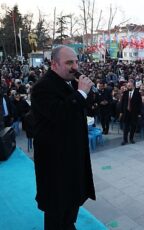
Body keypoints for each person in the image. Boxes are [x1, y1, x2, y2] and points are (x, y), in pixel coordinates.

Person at [31, 45, 96, 229]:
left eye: (76, 61)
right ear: (54, 64)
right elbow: (59, 114)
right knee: (56, 212)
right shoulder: (42, 88)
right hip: (55, 165)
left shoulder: (69, 82)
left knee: (71, 206)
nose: (75, 66)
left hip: (72, 159)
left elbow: (83, 107)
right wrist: (81, 93)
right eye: (69, 62)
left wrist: (86, 92)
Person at [120, 79, 142, 145]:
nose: (128, 87)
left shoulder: (137, 93)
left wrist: (139, 113)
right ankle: (125, 140)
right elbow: (122, 103)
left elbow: (139, 104)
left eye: (129, 86)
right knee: (125, 127)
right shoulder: (125, 93)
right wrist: (121, 111)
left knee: (133, 127)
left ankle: (131, 138)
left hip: (134, 113)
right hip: (126, 113)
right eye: (127, 86)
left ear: (133, 86)